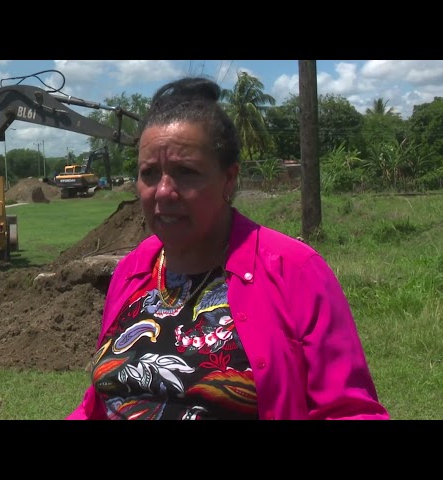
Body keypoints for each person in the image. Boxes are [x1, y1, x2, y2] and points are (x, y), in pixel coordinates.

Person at [67, 77, 389, 420]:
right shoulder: (132, 271)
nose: (162, 191)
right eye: (149, 173)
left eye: (185, 172)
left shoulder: (294, 271)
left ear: (229, 179)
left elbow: (350, 411)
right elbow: (99, 403)